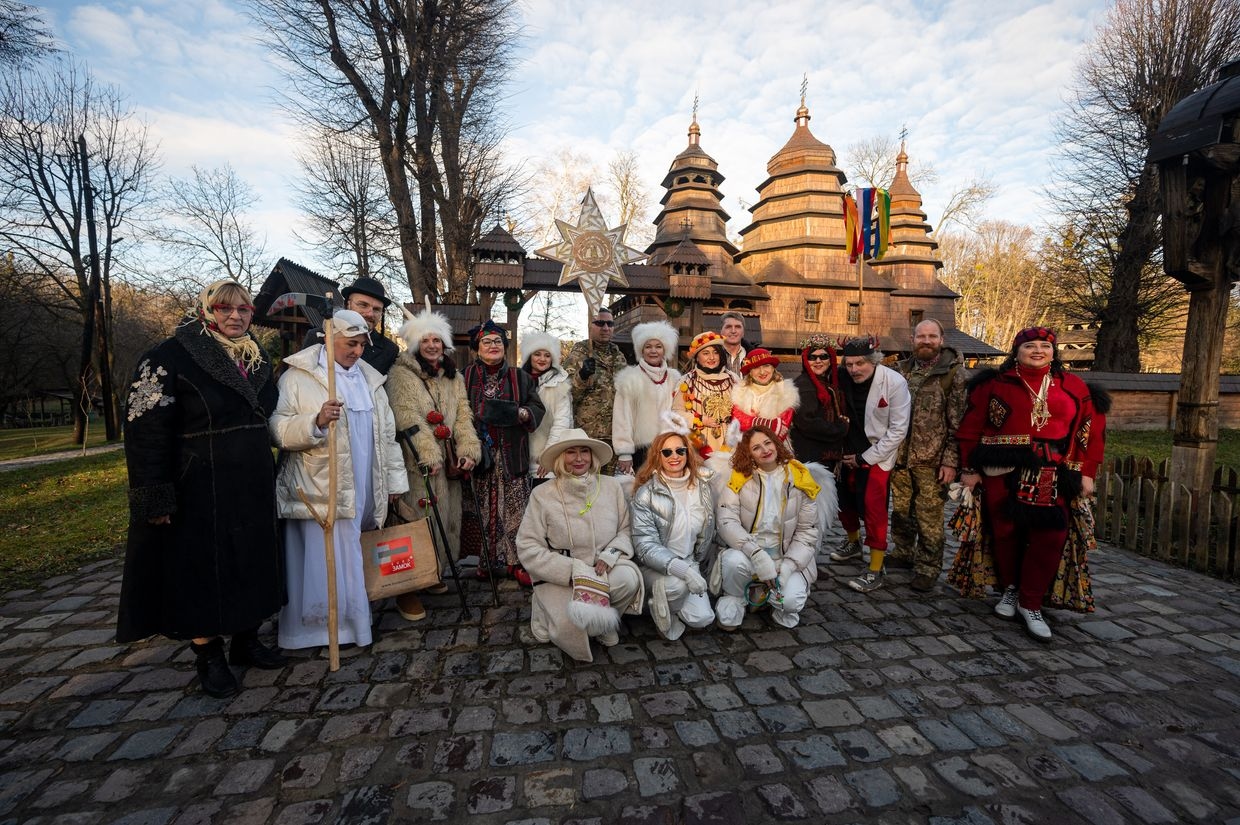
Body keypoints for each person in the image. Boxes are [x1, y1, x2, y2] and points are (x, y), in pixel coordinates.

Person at [118, 279, 285, 698]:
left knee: (249, 560)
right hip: (198, 483)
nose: (235, 316)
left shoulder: (256, 356)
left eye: (243, 309)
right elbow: (145, 431)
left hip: (250, 481)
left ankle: (246, 639)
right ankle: (207, 653)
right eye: (224, 309)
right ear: (206, 311)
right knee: (201, 570)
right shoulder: (169, 356)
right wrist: (154, 493)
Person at [956, 326, 1105, 641]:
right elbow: (969, 428)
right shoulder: (993, 384)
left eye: (1044, 346)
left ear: (1054, 352)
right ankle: (1010, 588)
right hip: (1001, 468)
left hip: (1052, 469)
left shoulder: (1073, 387)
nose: (1037, 351)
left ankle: (1031, 601)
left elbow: (1090, 429)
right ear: (1016, 350)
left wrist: (1087, 471)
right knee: (1006, 532)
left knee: (1051, 535)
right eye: (1029, 346)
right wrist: (969, 468)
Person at [271, 309, 408, 651]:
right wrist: (314, 421)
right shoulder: (299, 376)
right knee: (322, 556)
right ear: (328, 338)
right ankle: (315, 628)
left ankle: (354, 622)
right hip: (320, 483)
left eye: (362, 344)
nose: (357, 351)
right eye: (350, 344)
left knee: (352, 549)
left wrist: (393, 483)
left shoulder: (371, 380)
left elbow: (386, 436)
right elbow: (276, 428)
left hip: (362, 478)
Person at [385, 306, 481, 621]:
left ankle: (432, 570)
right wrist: (427, 452)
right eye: (425, 340)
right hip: (418, 464)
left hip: (447, 464)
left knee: (441, 517)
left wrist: (468, 447)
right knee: (413, 521)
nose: (431, 345)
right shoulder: (401, 374)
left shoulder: (452, 376)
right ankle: (407, 588)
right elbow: (405, 415)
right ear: (415, 344)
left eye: (436, 340)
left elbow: (463, 413)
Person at [516, 430, 644, 662]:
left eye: (584, 451)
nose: (579, 458)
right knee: (571, 626)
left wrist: (611, 554)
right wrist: (570, 570)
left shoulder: (611, 487)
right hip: (562, 576)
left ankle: (604, 620)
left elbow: (625, 530)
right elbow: (527, 545)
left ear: (592, 455)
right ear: (560, 458)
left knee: (629, 579)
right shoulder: (542, 494)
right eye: (571, 452)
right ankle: (545, 608)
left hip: (603, 571)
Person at [887, 319, 969, 592]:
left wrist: (950, 461)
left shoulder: (953, 373)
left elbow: (958, 423)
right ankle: (903, 552)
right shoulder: (901, 370)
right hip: (900, 456)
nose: (926, 341)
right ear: (912, 339)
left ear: (941, 339)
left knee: (929, 516)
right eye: (921, 336)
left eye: (932, 336)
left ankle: (928, 567)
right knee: (900, 510)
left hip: (932, 459)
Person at [714, 426, 822, 630]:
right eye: (756, 447)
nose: (764, 450)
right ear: (749, 454)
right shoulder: (739, 478)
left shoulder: (800, 478)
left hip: (785, 556)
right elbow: (726, 521)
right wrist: (756, 554)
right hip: (750, 553)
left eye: (767, 443)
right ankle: (735, 597)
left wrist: (788, 567)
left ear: (776, 443)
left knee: (790, 603)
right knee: (732, 561)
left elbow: (808, 531)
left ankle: (770, 597)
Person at [462, 320, 545, 584]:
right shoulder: (465, 376)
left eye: (498, 341)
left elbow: (537, 406)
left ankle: (516, 562)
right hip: (480, 453)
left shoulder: (520, 377)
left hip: (512, 453)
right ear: (477, 348)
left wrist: (523, 412)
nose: (493, 346)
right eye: (486, 342)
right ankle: (486, 561)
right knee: (483, 510)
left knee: (516, 511)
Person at [828, 336, 911, 594]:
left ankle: (875, 568)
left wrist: (865, 458)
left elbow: (898, 430)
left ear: (874, 361)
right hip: (845, 451)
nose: (854, 369)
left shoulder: (894, 382)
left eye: (861, 363)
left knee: (874, 510)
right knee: (843, 502)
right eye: (850, 364)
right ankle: (853, 543)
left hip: (876, 454)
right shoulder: (841, 378)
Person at [630, 427, 718, 641]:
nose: (674, 456)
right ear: (657, 457)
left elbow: (708, 530)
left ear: (688, 453)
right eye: (667, 452)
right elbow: (644, 545)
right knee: (676, 585)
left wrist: (695, 565)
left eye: (680, 450)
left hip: (690, 561)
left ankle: (672, 602)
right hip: (656, 567)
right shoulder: (646, 494)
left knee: (702, 618)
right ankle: (658, 605)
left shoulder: (703, 486)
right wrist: (685, 573)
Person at [562, 308, 629, 473]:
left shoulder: (618, 355)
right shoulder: (580, 352)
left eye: (610, 324)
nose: (605, 328)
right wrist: (582, 375)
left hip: (614, 436)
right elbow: (566, 394)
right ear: (590, 326)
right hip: (588, 436)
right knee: (587, 485)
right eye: (600, 323)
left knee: (608, 487)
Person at [613, 320, 681, 474]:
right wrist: (624, 451)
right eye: (648, 347)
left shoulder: (674, 378)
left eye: (658, 347)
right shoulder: (630, 378)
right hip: (641, 451)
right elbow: (622, 417)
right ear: (641, 350)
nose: (653, 351)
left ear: (665, 350)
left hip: (670, 447)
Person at [300, 276, 400, 374]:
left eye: (377, 309)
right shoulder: (317, 337)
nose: (370, 314)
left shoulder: (389, 351)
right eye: (363, 305)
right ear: (348, 304)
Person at [676, 330, 740, 469]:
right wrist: (700, 419)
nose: (711, 357)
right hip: (699, 441)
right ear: (697, 357)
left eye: (715, 352)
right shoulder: (686, 381)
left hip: (729, 441)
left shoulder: (733, 379)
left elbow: (743, 410)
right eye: (706, 353)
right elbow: (676, 413)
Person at [790, 334, 849, 467]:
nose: (818, 361)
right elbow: (806, 423)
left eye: (823, 356)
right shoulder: (804, 385)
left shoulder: (828, 383)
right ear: (806, 360)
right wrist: (840, 429)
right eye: (812, 357)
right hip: (812, 458)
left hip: (826, 455)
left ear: (831, 359)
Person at [520, 331, 573, 479]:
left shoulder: (559, 385)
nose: (542, 359)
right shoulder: (517, 382)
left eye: (547, 355)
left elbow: (561, 423)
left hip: (544, 459)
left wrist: (548, 455)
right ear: (529, 356)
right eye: (537, 354)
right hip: (519, 457)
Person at [730, 348, 798, 441]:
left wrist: (751, 423)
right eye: (756, 367)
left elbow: (781, 428)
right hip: (745, 444)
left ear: (773, 368)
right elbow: (738, 420)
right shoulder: (740, 391)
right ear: (750, 371)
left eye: (766, 366)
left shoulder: (785, 391)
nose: (762, 372)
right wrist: (770, 424)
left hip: (775, 447)